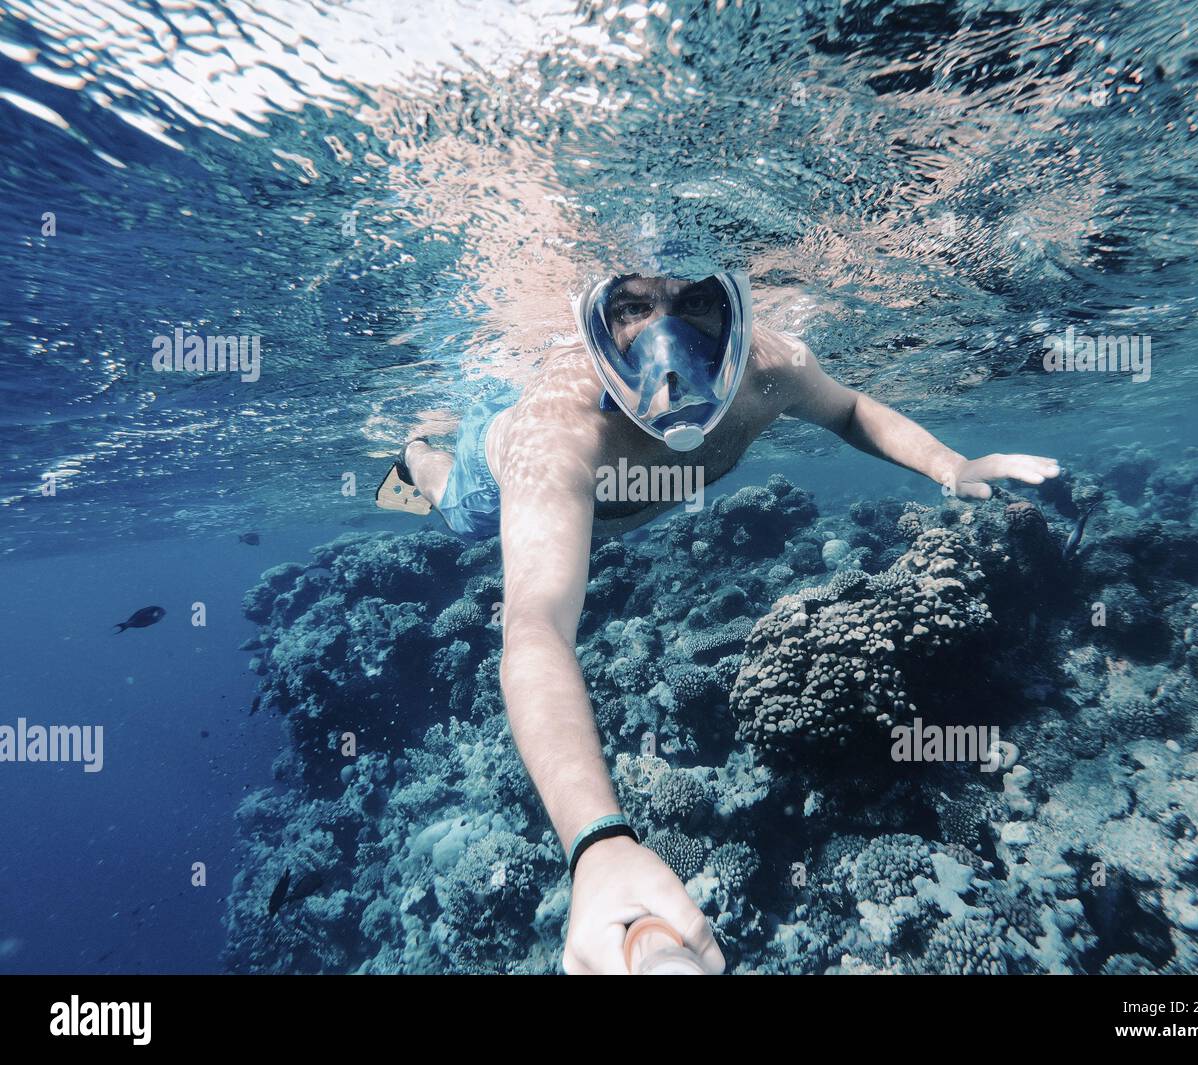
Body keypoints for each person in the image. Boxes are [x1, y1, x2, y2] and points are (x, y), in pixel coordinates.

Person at [376, 268, 1059, 974]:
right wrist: (599, 843)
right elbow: (536, 627)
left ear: (733, 307)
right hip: (498, 472)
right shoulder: (555, 433)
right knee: (457, 508)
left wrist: (949, 464)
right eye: (633, 306)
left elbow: (851, 409)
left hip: (609, 499)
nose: (666, 336)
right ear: (596, 324)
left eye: (696, 300)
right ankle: (418, 450)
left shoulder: (771, 364)